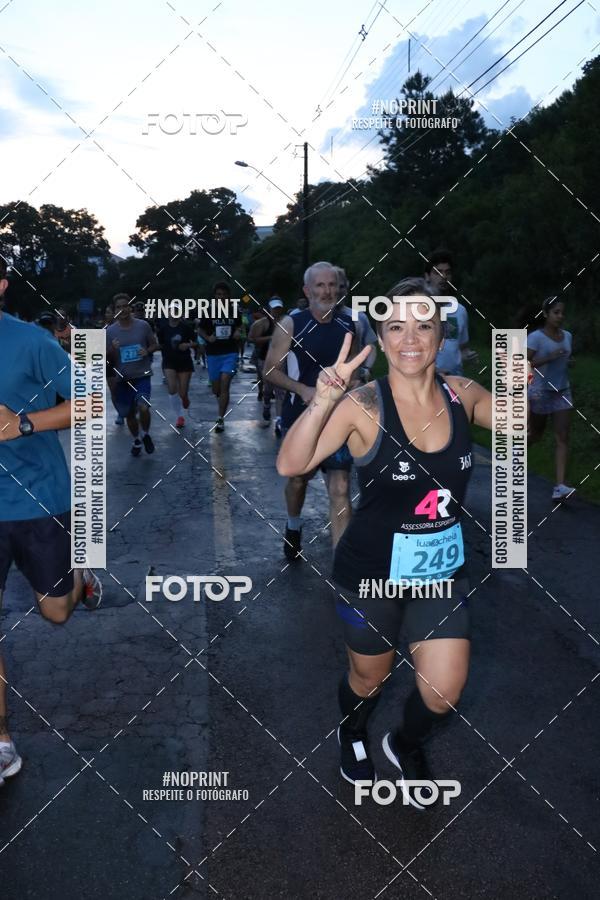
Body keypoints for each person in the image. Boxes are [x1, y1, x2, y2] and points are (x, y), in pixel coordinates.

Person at [277, 277, 493, 807]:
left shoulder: (462, 394)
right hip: (371, 573)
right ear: (380, 334)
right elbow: (291, 463)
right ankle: (352, 732)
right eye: (396, 326)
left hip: (440, 575)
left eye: (424, 325)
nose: (411, 338)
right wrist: (324, 400)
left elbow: (520, 426)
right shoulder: (363, 404)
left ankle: (403, 740)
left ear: (442, 336)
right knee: (368, 679)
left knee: (443, 693)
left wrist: (520, 380)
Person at [0, 261, 102, 788]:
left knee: (57, 613)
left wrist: (22, 423)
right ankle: (1, 740)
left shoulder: (32, 341)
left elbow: (92, 400)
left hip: (39, 499)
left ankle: (79, 576)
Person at [265, 261, 359, 559]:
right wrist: (303, 389)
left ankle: (343, 563)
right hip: (301, 416)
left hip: (337, 419)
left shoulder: (349, 325)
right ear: (307, 290)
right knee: (298, 480)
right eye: (320, 285)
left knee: (341, 486)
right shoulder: (291, 324)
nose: (327, 290)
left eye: (332, 284)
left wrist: (356, 390)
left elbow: (353, 371)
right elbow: (269, 371)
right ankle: (293, 526)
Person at [527, 297, 575, 501]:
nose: (560, 316)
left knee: (562, 437)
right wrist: (550, 357)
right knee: (536, 434)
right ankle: (512, 457)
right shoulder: (535, 338)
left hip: (562, 391)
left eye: (562, 312)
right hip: (540, 392)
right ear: (546, 314)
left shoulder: (568, 336)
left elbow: (567, 359)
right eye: (556, 312)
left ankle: (560, 486)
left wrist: (569, 361)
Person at [106, 293, 158, 456]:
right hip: (122, 379)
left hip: (141, 375)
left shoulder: (143, 325)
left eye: (125, 306)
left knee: (143, 407)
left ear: (130, 307)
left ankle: (146, 434)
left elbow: (154, 345)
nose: (123, 309)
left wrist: (146, 350)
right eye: (119, 307)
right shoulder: (110, 331)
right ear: (115, 310)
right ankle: (136, 439)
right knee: (129, 414)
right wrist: (112, 349)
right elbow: (104, 357)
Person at [198, 281, 242, 433]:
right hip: (213, 354)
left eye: (224, 294)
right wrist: (208, 338)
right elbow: (200, 329)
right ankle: (220, 399)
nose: (221, 297)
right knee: (216, 389)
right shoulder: (208, 311)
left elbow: (239, 326)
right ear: (215, 296)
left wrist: (238, 332)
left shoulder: (234, 310)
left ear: (228, 296)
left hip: (230, 352)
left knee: (225, 383)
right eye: (218, 294)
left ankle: (220, 419)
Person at [424, 249, 477, 375]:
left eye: (447, 273)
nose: (443, 277)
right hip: (425, 382)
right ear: (427, 276)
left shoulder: (460, 310)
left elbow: (462, 348)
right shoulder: (417, 310)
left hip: (455, 381)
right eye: (438, 272)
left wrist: (468, 356)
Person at [156, 304, 197, 428]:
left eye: (176, 310)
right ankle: (179, 416)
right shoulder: (163, 328)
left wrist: (188, 345)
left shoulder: (186, 327)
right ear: (167, 312)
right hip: (169, 361)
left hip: (184, 361)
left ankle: (184, 397)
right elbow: (160, 344)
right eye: (171, 310)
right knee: (172, 388)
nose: (173, 312)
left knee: (182, 392)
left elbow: (196, 342)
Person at [334, 266, 377, 383]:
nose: (338, 290)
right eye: (334, 286)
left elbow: (371, 347)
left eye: (342, 286)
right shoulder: (312, 319)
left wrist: (367, 369)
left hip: (353, 383)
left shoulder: (359, 316)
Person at [248, 297, 286, 429]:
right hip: (264, 359)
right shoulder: (261, 323)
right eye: (274, 308)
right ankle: (266, 404)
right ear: (269, 309)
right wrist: (270, 337)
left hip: (281, 360)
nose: (276, 311)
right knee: (268, 389)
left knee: (280, 390)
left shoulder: (287, 322)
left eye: (279, 308)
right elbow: (251, 338)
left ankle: (279, 420)